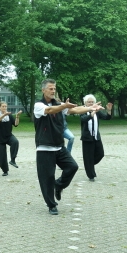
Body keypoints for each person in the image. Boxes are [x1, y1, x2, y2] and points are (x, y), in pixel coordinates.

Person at [34, 79, 104, 215]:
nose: (53, 91)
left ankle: (59, 185)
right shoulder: (38, 105)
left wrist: (91, 108)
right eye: (50, 88)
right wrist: (64, 106)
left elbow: (75, 109)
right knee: (47, 178)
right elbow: (49, 110)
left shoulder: (59, 105)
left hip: (59, 146)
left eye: (54, 88)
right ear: (43, 90)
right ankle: (51, 205)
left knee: (72, 166)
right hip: (44, 148)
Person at [80, 94, 113, 181]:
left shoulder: (97, 111)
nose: (90, 103)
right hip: (87, 137)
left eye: (92, 102)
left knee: (100, 154)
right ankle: (91, 175)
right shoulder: (82, 110)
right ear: (85, 103)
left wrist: (109, 111)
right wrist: (92, 112)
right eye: (89, 102)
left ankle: (89, 164)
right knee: (88, 156)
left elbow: (106, 117)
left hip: (96, 136)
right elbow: (83, 119)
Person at [0, 101, 22, 176]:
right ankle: (5, 171)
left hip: (8, 136)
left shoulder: (9, 115)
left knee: (15, 142)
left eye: (5, 106)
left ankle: (13, 160)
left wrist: (17, 116)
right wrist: (4, 115)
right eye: (3, 106)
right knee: (1, 157)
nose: (4, 108)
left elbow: (16, 124)